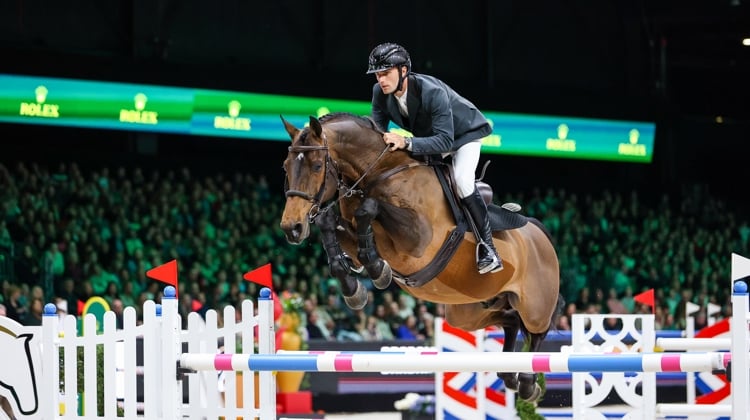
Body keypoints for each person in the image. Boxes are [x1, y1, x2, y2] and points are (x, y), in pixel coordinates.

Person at [366, 42, 502, 274]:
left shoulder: (431, 92)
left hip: (462, 136)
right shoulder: (380, 92)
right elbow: (377, 133)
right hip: (432, 138)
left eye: (386, 73)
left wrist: (406, 142)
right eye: (378, 74)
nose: (381, 80)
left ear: (403, 71)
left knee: (462, 181)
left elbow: (444, 142)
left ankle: (488, 248)